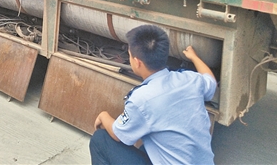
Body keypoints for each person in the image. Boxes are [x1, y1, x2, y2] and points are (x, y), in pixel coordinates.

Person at [90, 24, 217, 165]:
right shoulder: (191, 79)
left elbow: (118, 134)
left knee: (100, 139)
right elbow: (210, 81)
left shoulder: (141, 99)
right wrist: (194, 57)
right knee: (148, 146)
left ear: (137, 62)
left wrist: (103, 116)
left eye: (130, 55)